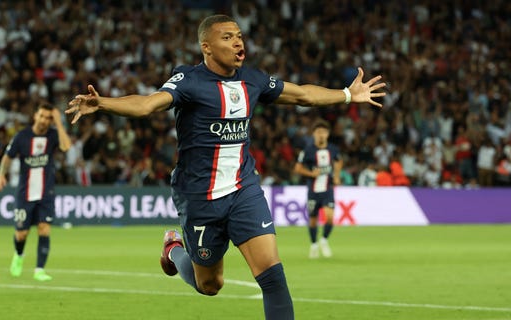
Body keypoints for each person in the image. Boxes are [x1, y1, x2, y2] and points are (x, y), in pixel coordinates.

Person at [66, 15, 385, 319]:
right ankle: (175, 248)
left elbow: (302, 95)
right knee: (210, 285)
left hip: (243, 189)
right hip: (200, 196)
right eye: (227, 37)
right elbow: (148, 103)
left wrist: (346, 94)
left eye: (239, 36)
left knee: (272, 276)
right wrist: (104, 102)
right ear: (206, 46)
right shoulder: (189, 80)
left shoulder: (253, 79)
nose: (237, 42)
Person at [0, 103, 72, 281]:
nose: (45, 120)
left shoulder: (53, 135)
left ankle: (39, 270)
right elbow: (8, 156)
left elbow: (66, 147)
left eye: (48, 118)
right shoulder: (22, 136)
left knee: (44, 229)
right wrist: (1, 175)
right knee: (21, 234)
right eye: (42, 116)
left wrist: (59, 123)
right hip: (25, 193)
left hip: (46, 192)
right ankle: (19, 255)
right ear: (35, 116)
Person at [293, 119, 343, 259]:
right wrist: (310, 174)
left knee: (330, 218)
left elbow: (339, 161)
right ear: (314, 134)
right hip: (313, 191)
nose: (321, 135)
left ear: (328, 134)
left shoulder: (332, 149)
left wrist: (337, 176)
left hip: (327, 190)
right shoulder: (308, 151)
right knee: (313, 220)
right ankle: (314, 244)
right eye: (318, 132)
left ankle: (324, 240)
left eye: (324, 132)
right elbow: (297, 168)